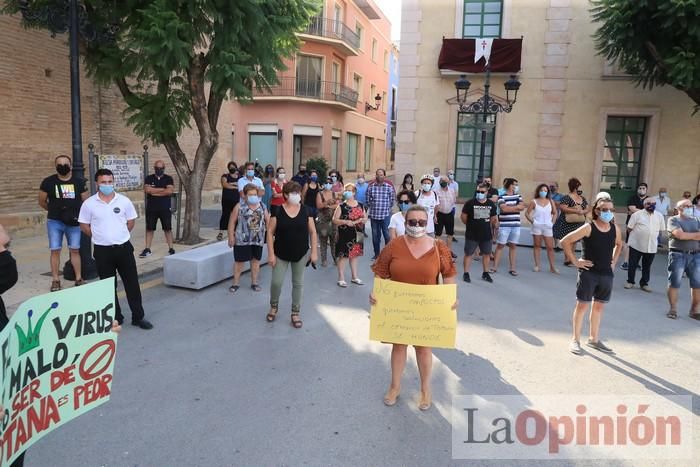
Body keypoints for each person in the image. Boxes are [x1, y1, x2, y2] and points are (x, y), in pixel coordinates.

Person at [370, 205, 457, 410]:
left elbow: (449, 273)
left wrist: (450, 296)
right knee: (398, 346)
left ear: (427, 223)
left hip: (427, 308)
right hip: (398, 306)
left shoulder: (439, 247)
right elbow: (380, 272)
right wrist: (376, 293)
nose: (417, 225)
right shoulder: (393, 246)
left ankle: (426, 390)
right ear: (404, 222)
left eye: (421, 222)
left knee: (424, 349)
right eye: (412, 222)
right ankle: (395, 387)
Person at [78, 169, 153, 330]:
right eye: (103, 182)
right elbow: (84, 225)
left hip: (124, 249)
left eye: (110, 182)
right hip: (102, 251)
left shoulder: (123, 201)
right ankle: (116, 317)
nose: (107, 185)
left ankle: (138, 317)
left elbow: (130, 222)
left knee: (132, 284)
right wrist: (98, 236)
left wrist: (120, 234)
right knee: (108, 287)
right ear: (97, 183)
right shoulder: (89, 203)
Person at [561, 196, 623, 355]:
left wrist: (614, 261)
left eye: (610, 209)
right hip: (589, 273)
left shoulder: (615, 228)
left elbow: (619, 244)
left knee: (599, 306)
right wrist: (575, 262)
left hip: (606, 274)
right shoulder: (589, 227)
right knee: (582, 305)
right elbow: (565, 241)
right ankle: (575, 340)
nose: (608, 212)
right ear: (596, 211)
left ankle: (594, 339)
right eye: (604, 209)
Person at [266, 182, 318, 328]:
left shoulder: (306, 210)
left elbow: (313, 232)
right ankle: (273, 306)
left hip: (300, 253)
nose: (297, 195)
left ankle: (295, 312)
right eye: (293, 193)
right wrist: (270, 254)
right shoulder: (277, 210)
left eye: (298, 192)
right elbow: (270, 232)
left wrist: (314, 252)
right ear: (286, 195)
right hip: (280, 253)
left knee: (298, 283)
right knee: (276, 282)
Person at [38, 155, 89, 292]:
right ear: (55, 166)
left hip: (73, 222)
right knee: (55, 250)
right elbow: (42, 201)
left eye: (65, 164)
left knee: (75, 250)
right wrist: (53, 210)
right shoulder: (48, 182)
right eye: (59, 164)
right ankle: (55, 280)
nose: (63, 166)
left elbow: (86, 202)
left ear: (70, 165)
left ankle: (78, 278)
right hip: (55, 222)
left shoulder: (78, 182)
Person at [227, 183, 269, 293]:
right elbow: (231, 222)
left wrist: (270, 236)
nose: (253, 196)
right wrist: (231, 236)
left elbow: (268, 222)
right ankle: (235, 283)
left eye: (255, 194)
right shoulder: (239, 206)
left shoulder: (262, 206)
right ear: (244, 196)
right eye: (250, 195)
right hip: (242, 240)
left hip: (257, 239)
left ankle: (254, 282)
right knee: (239, 261)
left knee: (255, 261)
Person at [665, 199, 700, 320]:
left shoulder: (697, 220)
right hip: (678, 254)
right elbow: (679, 235)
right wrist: (695, 235)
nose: (690, 208)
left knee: (697, 284)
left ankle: (694, 310)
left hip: (696, 255)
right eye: (686, 206)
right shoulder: (673, 220)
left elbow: (684, 235)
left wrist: (687, 236)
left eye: (691, 206)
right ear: (679, 208)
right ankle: (673, 309)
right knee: (674, 282)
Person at [624, 197, 664, 292]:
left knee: (647, 266)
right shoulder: (637, 215)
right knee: (632, 264)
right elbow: (629, 228)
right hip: (636, 245)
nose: (651, 205)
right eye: (648, 203)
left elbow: (661, 230)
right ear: (644, 205)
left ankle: (644, 283)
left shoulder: (659, 216)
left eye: (653, 203)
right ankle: (630, 281)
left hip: (651, 246)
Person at [461, 182, 498, 283]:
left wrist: (488, 226)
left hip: (486, 235)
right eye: (478, 191)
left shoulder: (490, 204)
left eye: (482, 192)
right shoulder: (470, 203)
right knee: (469, 254)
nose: (480, 193)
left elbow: (493, 218)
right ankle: (466, 273)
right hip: (471, 234)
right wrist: (470, 225)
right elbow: (464, 217)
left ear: (487, 192)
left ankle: (485, 273)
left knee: (486, 254)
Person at [333, 183, 367, 287]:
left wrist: (362, 219)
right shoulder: (342, 206)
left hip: (358, 233)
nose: (348, 192)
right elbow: (334, 220)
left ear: (354, 192)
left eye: (350, 190)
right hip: (345, 234)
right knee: (343, 256)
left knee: (355, 255)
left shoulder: (360, 204)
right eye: (346, 190)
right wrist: (345, 222)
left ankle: (354, 276)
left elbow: (365, 218)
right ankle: (341, 278)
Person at [140, 160, 175, 258]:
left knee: (167, 229)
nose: (159, 170)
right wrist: (163, 189)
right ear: (154, 168)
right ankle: (147, 249)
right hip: (152, 208)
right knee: (149, 229)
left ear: (164, 168)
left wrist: (154, 191)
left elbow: (170, 191)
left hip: (165, 208)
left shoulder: (168, 178)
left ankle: (171, 248)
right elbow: (147, 190)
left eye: (161, 168)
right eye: (157, 168)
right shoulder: (149, 178)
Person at [553, 177, 590, 267]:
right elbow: (563, 208)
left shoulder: (582, 198)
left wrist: (583, 212)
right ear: (575, 187)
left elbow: (588, 208)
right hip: (567, 223)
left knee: (574, 241)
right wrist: (576, 211)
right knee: (568, 241)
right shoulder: (567, 197)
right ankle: (567, 259)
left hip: (579, 223)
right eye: (579, 187)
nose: (580, 189)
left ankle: (570, 258)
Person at [492, 178, 525, 276]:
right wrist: (516, 207)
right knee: (500, 245)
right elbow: (504, 209)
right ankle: (494, 267)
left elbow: (522, 207)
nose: (516, 186)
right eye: (514, 184)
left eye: (516, 184)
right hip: (504, 225)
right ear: (509, 185)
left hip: (515, 225)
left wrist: (510, 208)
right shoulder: (501, 197)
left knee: (513, 246)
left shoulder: (519, 196)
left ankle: (512, 268)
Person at [525, 183, 558, 273]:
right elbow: (527, 213)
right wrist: (533, 222)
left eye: (545, 191)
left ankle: (552, 267)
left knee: (550, 247)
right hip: (537, 226)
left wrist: (552, 223)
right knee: (537, 246)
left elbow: (555, 213)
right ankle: (537, 265)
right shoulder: (534, 201)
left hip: (548, 226)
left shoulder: (551, 201)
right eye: (542, 190)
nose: (543, 192)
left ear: (548, 192)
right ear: (538, 191)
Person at [366, 169, 396, 259]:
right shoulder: (371, 187)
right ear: (376, 176)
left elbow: (392, 201)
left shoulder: (388, 187)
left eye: (381, 175)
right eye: (378, 175)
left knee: (387, 236)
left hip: (385, 216)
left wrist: (386, 208)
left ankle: (386, 254)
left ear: (384, 176)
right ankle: (377, 254)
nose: (380, 176)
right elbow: (367, 200)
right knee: (375, 237)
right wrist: (374, 206)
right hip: (374, 216)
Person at [620, 182, 649, 270]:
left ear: (646, 190)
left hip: (644, 225)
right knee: (629, 242)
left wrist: (636, 211)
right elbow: (632, 208)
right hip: (631, 224)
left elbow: (649, 210)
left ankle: (635, 263)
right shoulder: (632, 198)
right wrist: (644, 211)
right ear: (637, 189)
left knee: (640, 243)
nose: (642, 190)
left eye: (643, 188)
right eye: (640, 188)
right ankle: (625, 262)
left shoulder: (649, 199)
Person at [316, 177, 339, 267]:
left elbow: (337, 205)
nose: (328, 185)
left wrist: (328, 206)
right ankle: (324, 260)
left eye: (330, 183)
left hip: (333, 219)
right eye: (326, 183)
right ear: (323, 185)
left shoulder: (334, 193)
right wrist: (327, 203)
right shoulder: (319, 194)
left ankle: (335, 259)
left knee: (334, 240)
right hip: (323, 221)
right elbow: (319, 206)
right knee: (323, 240)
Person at [217, 161, 240, 241]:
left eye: (233, 167)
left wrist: (231, 184)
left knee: (236, 216)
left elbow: (240, 185)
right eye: (230, 167)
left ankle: (234, 232)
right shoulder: (225, 176)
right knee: (225, 215)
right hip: (226, 200)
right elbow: (225, 184)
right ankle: (221, 232)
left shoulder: (239, 177)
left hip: (236, 201)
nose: (232, 169)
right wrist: (235, 186)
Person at [435, 175, 457, 256]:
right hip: (440, 214)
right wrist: (435, 216)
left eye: (444, 181)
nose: (442, 182)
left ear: (447, 182)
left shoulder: (452, 191)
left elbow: (454, 201)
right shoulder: (436, 192)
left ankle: (448, 251)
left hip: (449, 214)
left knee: (450, 234)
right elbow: (435, 204)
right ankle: (437, 251)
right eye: (441, 181)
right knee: (438, 234)